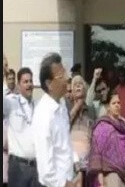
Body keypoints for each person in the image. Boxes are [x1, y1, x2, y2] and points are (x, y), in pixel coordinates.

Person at [32, 53, 78, 187]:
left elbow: (65, 143)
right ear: (49, 84)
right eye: (61, 76)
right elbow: (45, 168)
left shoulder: (62, 104)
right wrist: (64, 184)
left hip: (69, 179)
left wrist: (76, 166)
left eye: (65, 73)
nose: (67, 79)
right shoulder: (43, 114)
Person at [3, 67, 39, 187]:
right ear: (18, 85)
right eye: (25, 82)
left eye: (30, 81)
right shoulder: (11, 102)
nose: (29, 84)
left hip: (36, 167)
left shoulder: (38, 106)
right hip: (18, 167)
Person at [88, 90, 125, 187]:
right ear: (108, 106)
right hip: (109, 174)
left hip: (123, 175)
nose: (117, 105)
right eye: (113, 103)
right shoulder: (102, 126)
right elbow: (96, 152)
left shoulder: (123, 125)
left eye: (118, 103)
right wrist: (100, 176)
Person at [69, 75, 97, 187]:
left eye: (80, 84)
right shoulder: (67, 107)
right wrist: (77, 106)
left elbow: (95, 135)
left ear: (85, 90)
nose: (78, 86)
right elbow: (64, 126)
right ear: (72, 92)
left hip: (87, 162)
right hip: (70, 162)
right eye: (75, 85)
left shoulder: (91, 110)